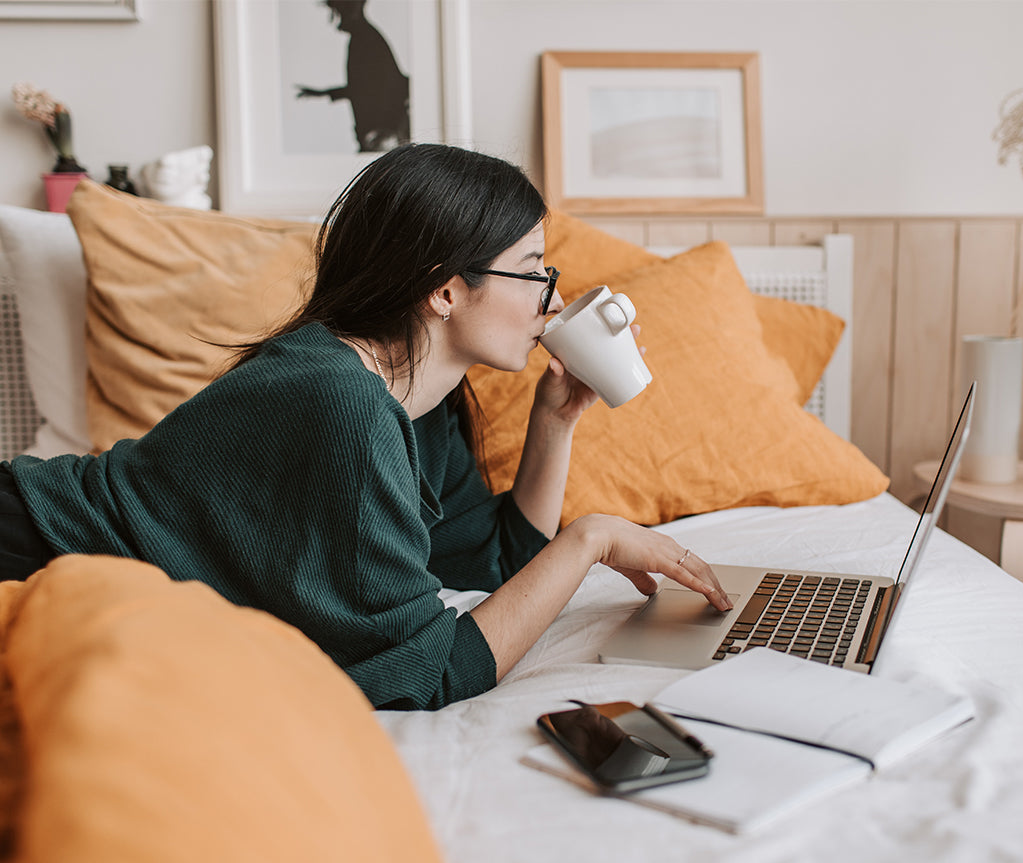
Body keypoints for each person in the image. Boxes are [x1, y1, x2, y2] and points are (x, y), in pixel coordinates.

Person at [0, 143, 729, 711]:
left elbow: (490, 575)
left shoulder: (420, 399)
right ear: (446, 289)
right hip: (29, 551)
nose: (553, 297)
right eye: (534, 268)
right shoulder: (341, 404)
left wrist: (555, 424)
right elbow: (432, 671)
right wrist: (592, 538)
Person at [296, 0, 410, 152]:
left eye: (338, 11)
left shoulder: (366, 40)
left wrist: (385, 131)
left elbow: (392, 85)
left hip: (381, 137)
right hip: (377, 135)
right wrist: (321, 93)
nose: (336, 18)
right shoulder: (364, 39)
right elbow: (362, 88)